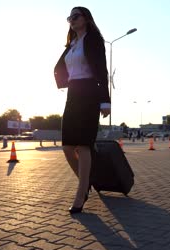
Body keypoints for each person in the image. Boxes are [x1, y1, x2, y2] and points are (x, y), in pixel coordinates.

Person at [54, 6, 111, 214]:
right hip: (73, 93)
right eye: (69, 17)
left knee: (84, 144)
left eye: (75, 16)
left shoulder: (94, 40)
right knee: (68, 145)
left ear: (86, 18)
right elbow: (60, 66)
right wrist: (62, 81)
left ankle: (81, 193)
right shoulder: (72, 44)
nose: (72, 20)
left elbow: (102, 69)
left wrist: (105, 100)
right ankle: (85, 182)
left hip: (89, 92)